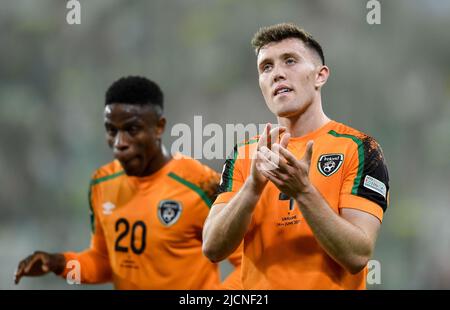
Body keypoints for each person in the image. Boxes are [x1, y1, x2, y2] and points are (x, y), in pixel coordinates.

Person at [203, 23, 390, 289]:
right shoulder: (244, 154)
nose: (277, 73)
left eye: (289, 61)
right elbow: (212, 248)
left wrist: (303, 191)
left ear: (320, 76)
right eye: (266, 67)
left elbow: (357, 255)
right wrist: (252, 188)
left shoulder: (361, 148)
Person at [15, 76, 241, 289]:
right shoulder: (102, 183)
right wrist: (59, 264)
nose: (119, 143)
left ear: (159, 127)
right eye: (111, 130)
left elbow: (247, 262)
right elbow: (104, 264)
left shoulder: (202, 185)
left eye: (132, 129)